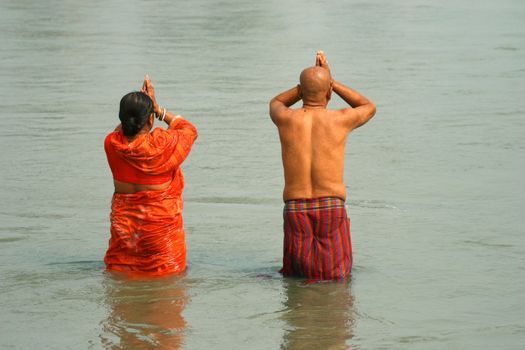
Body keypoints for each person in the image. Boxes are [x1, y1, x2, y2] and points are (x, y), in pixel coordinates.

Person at [269, 51, 376, 280]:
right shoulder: (341, 119)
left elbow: (276, 101)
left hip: (295, 208)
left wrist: (304, 88)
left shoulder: (286, 119)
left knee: (298, 276)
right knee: (335, 279)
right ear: (328, 92)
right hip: (331, 206)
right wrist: (331, 82)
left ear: (300, 91)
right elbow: (368, 106)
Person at [104, 75, 197, 276]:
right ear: (150, 119)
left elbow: (120, 131)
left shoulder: (112, 144)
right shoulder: (162, 144)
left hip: (126, 240)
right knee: (166, 298)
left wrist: (140, 110)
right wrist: (158, 109)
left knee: (123, 297)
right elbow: (188, 129)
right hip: (162, 245)